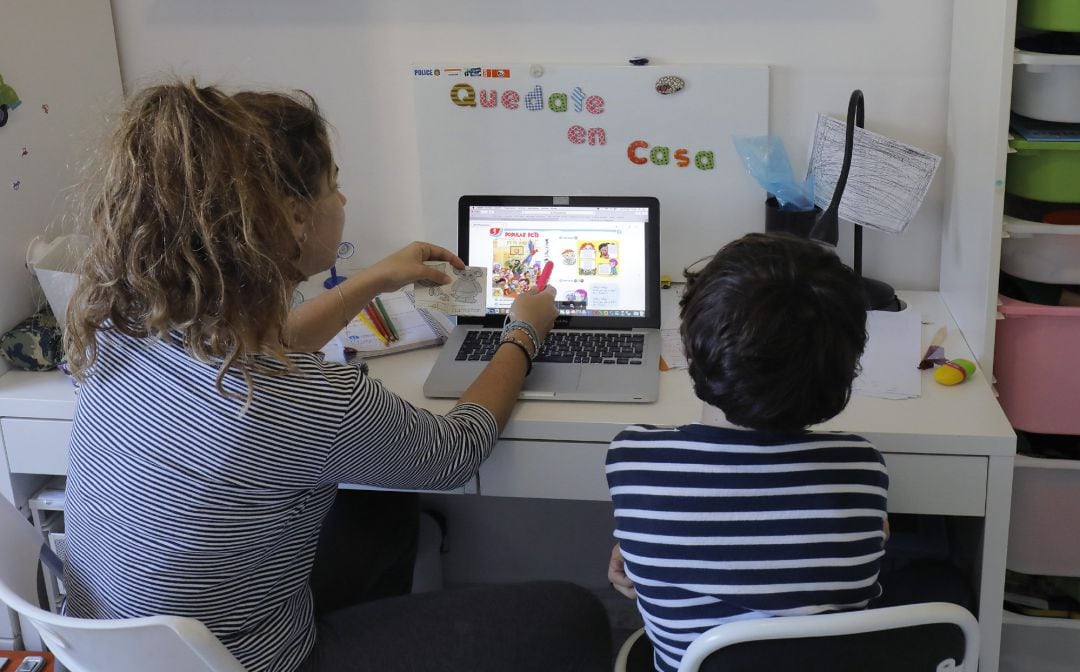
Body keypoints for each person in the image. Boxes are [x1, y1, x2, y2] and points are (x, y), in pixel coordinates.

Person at [61, 81, 610, 672]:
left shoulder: (125, 321)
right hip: (251, 663)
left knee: (383, 510)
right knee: (575, 616)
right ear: (296, 217)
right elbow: (455, 451)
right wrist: (523, 333)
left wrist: (372, 279)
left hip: (109, 650)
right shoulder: (301, 398)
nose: (343, 197)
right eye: (335, 184)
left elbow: (258, 350)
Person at [605, 233, 888, 672]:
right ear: (846, 368)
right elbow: (874, 534)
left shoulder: (633, 457)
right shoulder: (862, 466)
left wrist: (641, 546)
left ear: (689, 347)